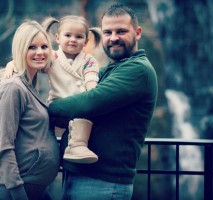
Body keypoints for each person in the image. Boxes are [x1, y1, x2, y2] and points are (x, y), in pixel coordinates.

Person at [48, 3, 158, 200]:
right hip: (81, 175)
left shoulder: (137, 69)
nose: (113, 37)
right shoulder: (110, 69)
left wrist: (50, 109)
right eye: (107, 32)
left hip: (103, 184)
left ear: (138, 32)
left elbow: (88, 103)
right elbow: (74, 89)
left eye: (121, 31)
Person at [6, 15, 102, 164]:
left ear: (86, 41)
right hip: (57, 104)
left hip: (80, 104)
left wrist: (91, 95)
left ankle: (77, 146)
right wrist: (12, 64)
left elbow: (91, 79)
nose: (72, 39)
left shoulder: (89, 60)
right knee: (44, 125)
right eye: (68, 35)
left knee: (85, 117)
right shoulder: (52, 57)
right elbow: (33, 62)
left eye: (79, 36)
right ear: (57, 38)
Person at [0, 20, 60, 200]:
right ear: (21, 49)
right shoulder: (13, 88)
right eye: (31, 47)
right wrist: (18, 194)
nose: (40, 52)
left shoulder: (31, 85)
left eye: (44, 46)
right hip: (10, 194)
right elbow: (4, 147)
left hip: (37, 192)